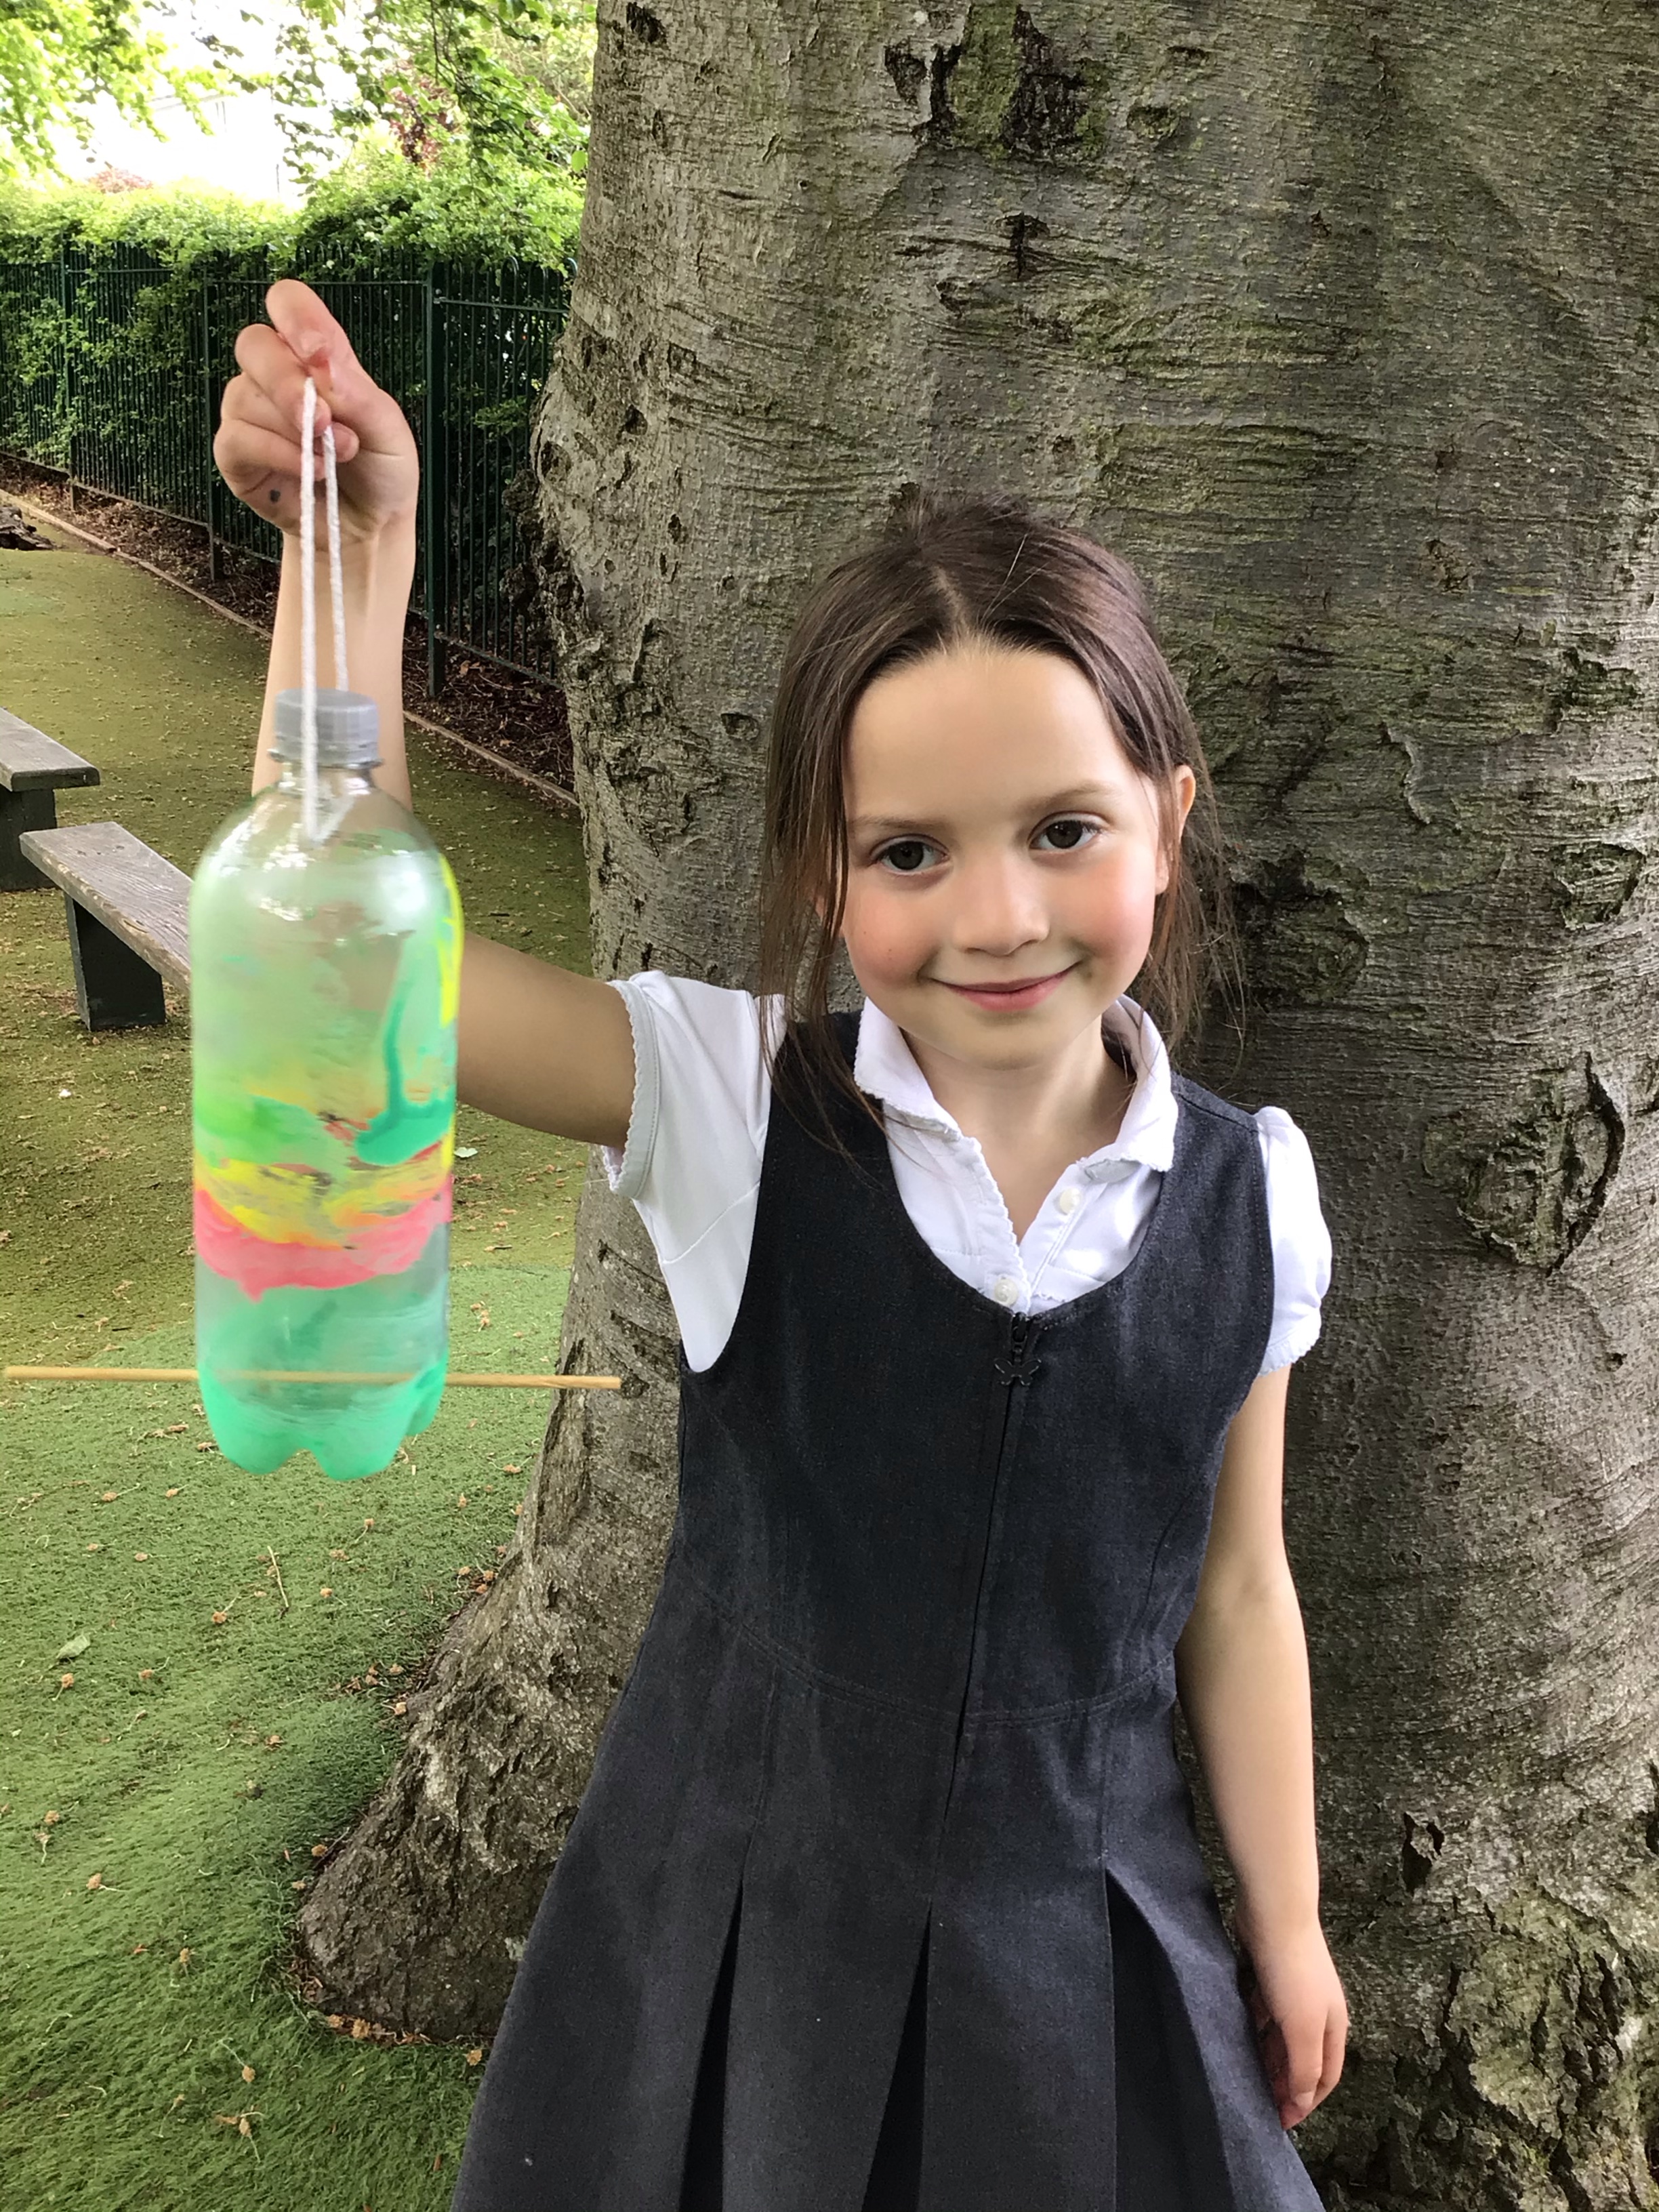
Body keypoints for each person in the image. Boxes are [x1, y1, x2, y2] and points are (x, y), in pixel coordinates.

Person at [217, 279, 1349, 2212]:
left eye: (1065, 830)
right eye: (910, 851)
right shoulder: (730, 1102)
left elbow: (1239, 1592)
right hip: (738, 1932)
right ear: (828, 871)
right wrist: (350, 565)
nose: (998, 916)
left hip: (1089, 1941)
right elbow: (344, 961)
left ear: (1168, 825)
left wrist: (1294, 1918)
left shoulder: (1259, 1196)